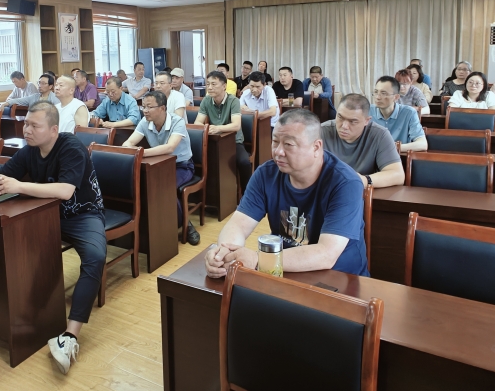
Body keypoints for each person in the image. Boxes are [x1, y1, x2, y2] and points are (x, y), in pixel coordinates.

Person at [0, 102, 106, 375]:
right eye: (26, 124)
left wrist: (18, 186)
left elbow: (65, 191)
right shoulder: (30, 150)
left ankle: (70, 335)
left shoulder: (71, 147)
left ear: (53, 130)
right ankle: (25, 313)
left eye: (34, 126)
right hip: (44, 215)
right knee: (11, 241)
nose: (26, 130)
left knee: (96, 257)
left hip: (83, 215)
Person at [204, 109, 369, 279]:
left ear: (316, 147)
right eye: (275, 142)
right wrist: (224, 254)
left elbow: (326, 254)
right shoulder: (266, 174)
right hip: (284, 269)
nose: (278, 151)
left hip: (341, 278)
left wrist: (258, 259)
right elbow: (239, 224)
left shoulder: (345, 183)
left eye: (288, 144)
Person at [123, 91, 200, 245]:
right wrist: (133, 149)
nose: (145, 110)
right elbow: (127, 144)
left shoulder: (177, 121)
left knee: (166, 188)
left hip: (182, 166)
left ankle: (186, 225)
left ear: (162, 108)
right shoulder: (145, 122)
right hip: (158, 167)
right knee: (140, 187)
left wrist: (141, 153)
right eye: (143, 107)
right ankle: (152, 226)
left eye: (149, 107)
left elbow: (170, 147)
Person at [320, 94, 405, 188]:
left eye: (353, 121)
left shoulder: (379, 135)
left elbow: (398, 175)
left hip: (363, 191)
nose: (344, 126)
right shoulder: (320, 132)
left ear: (366, 121)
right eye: (340, 117)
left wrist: (363, 180)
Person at [195, 71, 253, 193]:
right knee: (200, 161)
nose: (210, 87)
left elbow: (236, 125)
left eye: (214, 84)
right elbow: (197, 123)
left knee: (244, 162)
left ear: (224, 86)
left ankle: (247, 193)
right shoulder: (206, 100)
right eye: (208, 84)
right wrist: (206, 128)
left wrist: (218, 128)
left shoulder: (233, 101)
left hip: (234, 142)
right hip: (213, 141)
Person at [370, 76, 427, 152]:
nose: (378, 97)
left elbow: (422, 144)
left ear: (396, 97)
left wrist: (391, 148)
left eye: (383, 93)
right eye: (376, 92)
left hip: (399, 157)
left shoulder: (409, 113)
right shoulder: (367, 111)